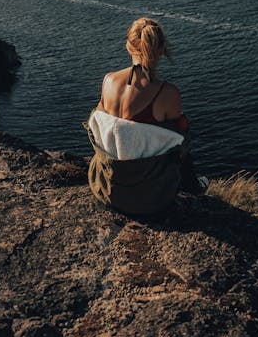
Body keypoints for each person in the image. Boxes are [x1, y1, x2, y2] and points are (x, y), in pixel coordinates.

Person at [86, 17, 203, 216]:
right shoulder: (167, 93)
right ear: (162, 48)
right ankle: (193, 186)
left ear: (128, 46)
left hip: (106, 187)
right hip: (150, 197)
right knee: (181, 134)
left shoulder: (108, 80)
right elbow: (178, 143)